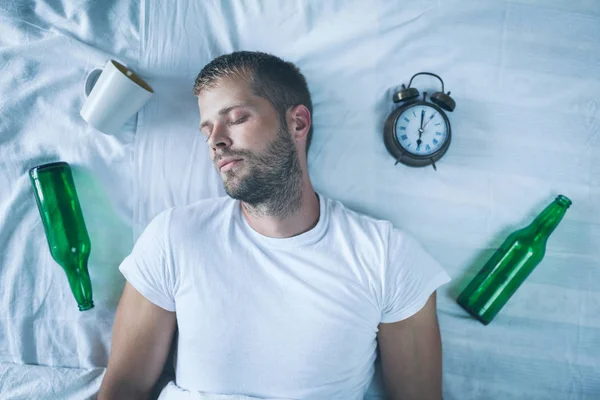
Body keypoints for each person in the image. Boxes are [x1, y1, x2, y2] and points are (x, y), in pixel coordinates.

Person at [98, 51, 451, 400]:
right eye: (207, 129)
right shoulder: (174, 236)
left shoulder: (388, 258)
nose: (215, 141)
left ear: (297, 123)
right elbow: (124, 388)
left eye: (235, 118)